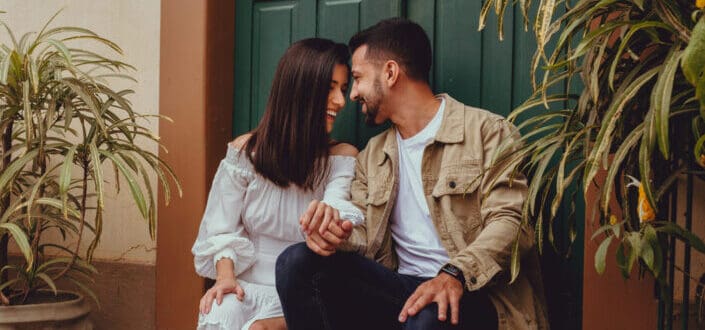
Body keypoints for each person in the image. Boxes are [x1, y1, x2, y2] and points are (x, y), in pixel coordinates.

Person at [275, 18, 548, 330]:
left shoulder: (488, 133)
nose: (352, 94)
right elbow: (364, 234)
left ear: (390, 73)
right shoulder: (373, 156)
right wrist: (337, 233)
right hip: (401, 292)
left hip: (475, 295)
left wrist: (454, 274)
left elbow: (511, 222)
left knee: (429, 318)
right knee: (296, 263)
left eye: (358, 78)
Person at [192, 38, 363, 330]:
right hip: (245, 285)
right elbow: (220, 227)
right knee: (220, 312)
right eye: (330, 88)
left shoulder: (341, 158)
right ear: (300, 89)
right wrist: (225, 278)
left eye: (343, 89)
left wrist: (331, 221)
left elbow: (337, 208)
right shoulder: (244, 153)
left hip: (304, 296)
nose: (340, 101)